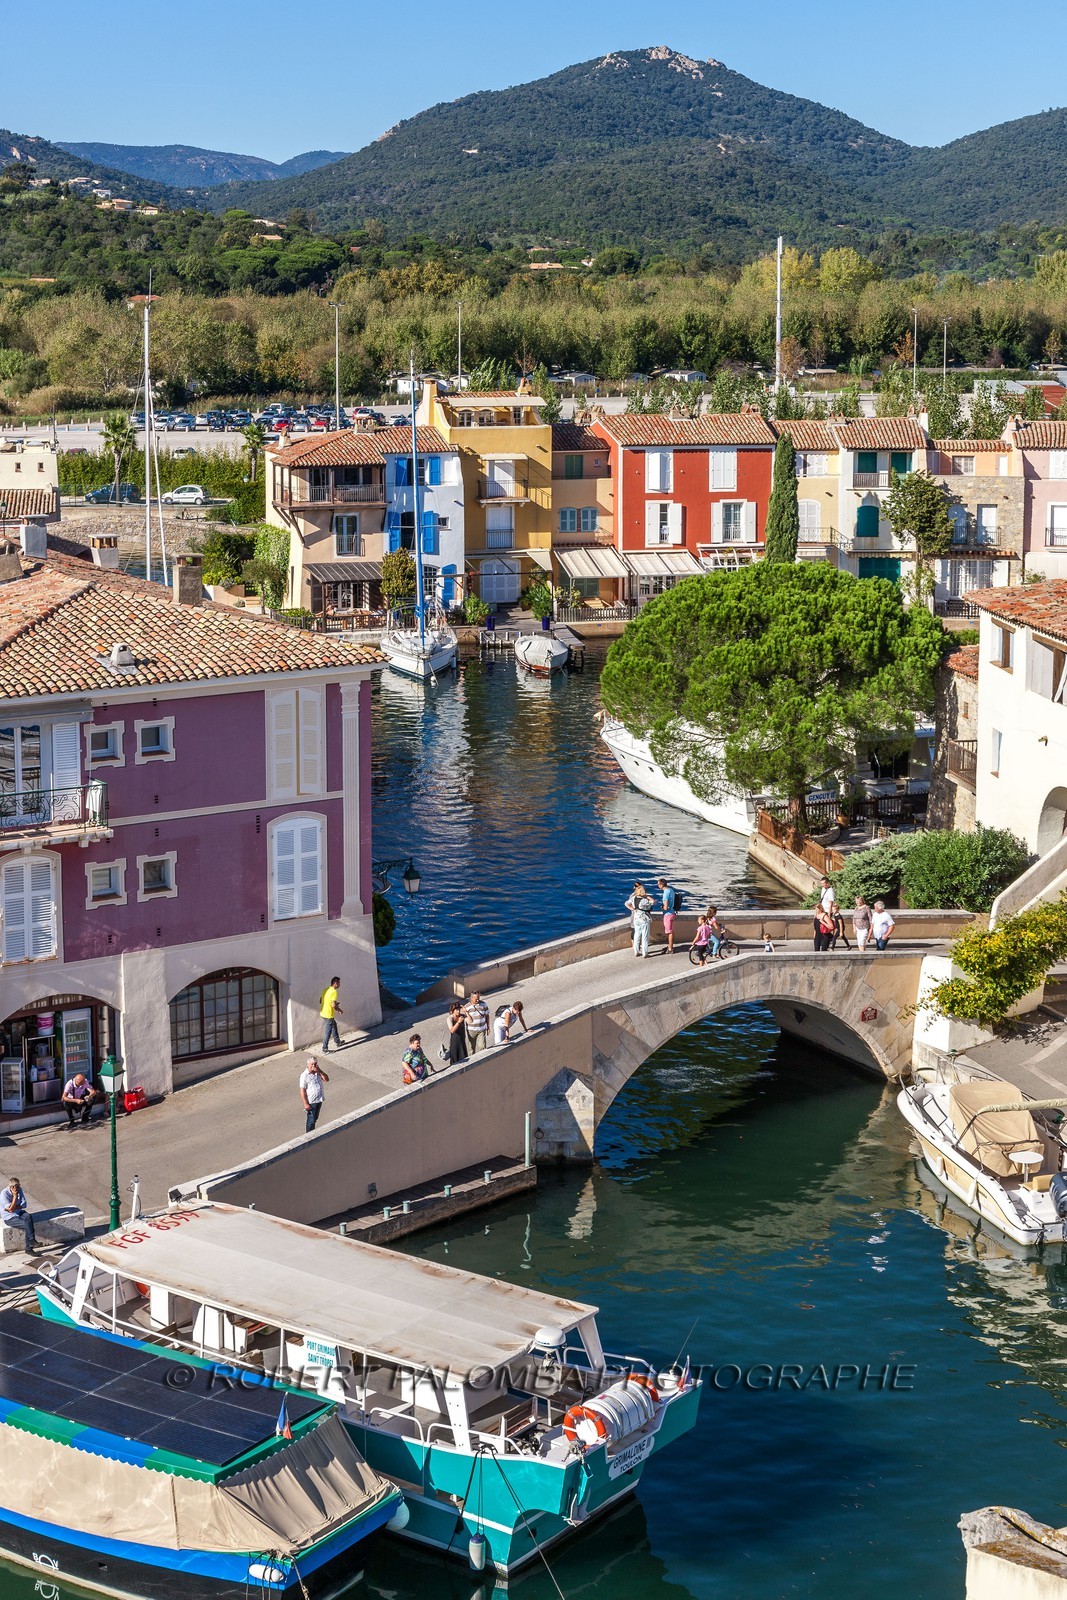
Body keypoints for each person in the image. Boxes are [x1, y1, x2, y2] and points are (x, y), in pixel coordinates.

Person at [0, 1178, 35, 1254]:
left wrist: (13, 1208)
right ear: (10, 1187)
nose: (16, 1188)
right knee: (27, 1225)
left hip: (18, 1213)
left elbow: (24, 1204)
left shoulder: (20, 1189)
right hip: (9, 1218)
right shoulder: (4, 1194)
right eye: (13, 1187)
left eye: (17, 1186)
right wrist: (15, 1196)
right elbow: (10, 1210)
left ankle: (32, 1240)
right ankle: (29, 1248)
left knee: (28, 1216)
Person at [299, 1057, 329, 1134]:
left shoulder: (318, 1072)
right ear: (308, 1065)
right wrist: (305, 1103)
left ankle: (312, 1132)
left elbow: (326, 1079)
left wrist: (320, 1071)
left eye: (315, 1064)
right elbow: (302, 1090)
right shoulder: (304, 1075)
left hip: (319, 1099)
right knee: (311, 1121)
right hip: (312, 1101)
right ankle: (309, 1135)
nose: (314, 1066)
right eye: (312, 1064)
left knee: (315, 1118)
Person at [626, 881, 654, 958]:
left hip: (636, 918)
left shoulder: (633, 898)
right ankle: (645, 953)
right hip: (644, 919)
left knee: (637, 935)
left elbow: (626, 903)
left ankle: (636, 951)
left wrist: (633, 909)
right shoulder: (644, 900)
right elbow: (652, 902)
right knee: (645, 936)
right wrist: (647, 896)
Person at [319, 977, 343, 1053]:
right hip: (328, 1014)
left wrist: (334, 1003)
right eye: (339, 983)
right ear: (335, 983)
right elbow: (333, 1006)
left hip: (323, 1013)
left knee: (334, 1025)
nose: (340, 984)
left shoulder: (325, 989)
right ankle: (325, 1048)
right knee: (328, 1032)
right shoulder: (334, 992)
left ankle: (338, 1042)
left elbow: (320, 1000)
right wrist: (340, 1010)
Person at [658, 877, 677, 954]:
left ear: (661, 884)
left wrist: (662, 907)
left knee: (669, 932)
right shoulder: (671, 890)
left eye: (658, 884)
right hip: (672, 912)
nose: (658, 886)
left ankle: (670, 948)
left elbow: (665, 907)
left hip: (668, 914)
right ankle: (670, 946)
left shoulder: (665, 893)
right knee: (671, 931)